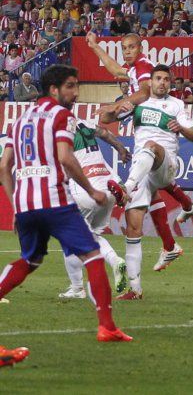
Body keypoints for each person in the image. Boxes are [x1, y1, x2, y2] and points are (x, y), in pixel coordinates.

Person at [0, 65, 131, 342]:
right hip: (55, 199)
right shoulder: (62, 115)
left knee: (30, 260)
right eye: (70, 86)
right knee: (93, 255)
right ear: (54, 89)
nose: (76, 92)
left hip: (25, 203)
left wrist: (16, 206)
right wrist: (92, 190)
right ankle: (107, 327)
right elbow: (65, 158)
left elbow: (4, 167)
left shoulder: (19, 120)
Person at [86, 32, 193, 236]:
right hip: (141, 111)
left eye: (132, 47)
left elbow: (144, 93)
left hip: (153, 113)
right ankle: (177, 227)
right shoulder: (133, 68)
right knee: (106, 120)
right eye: (124, 48)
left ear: (140, 48)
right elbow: (115, 69)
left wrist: (118, 104)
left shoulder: (143, 65)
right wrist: (94, 46)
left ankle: (127, 188)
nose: (128, 51)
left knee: (150, 171)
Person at [101, 65, 193, 299]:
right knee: (133, 225)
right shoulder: (138, 103)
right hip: (142, 168)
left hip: (166, 162)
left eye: (166, 79)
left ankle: (125, 188)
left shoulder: (176, 105)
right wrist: (120, 107)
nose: (162, 83)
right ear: (150, 81)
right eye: (158, 79)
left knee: (151, 146)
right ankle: (134, 289)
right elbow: (105, 119)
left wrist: (182, 129)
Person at [58, 118, 132, 299]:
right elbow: (105, 133)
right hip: (107, 187)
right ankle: (115, 261)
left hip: (85, 190)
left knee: (68, 237)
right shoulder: (85, 123)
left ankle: (77, 289)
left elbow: (63, 161)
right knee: (93, 236)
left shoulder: (56, 128)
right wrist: (120, 148)